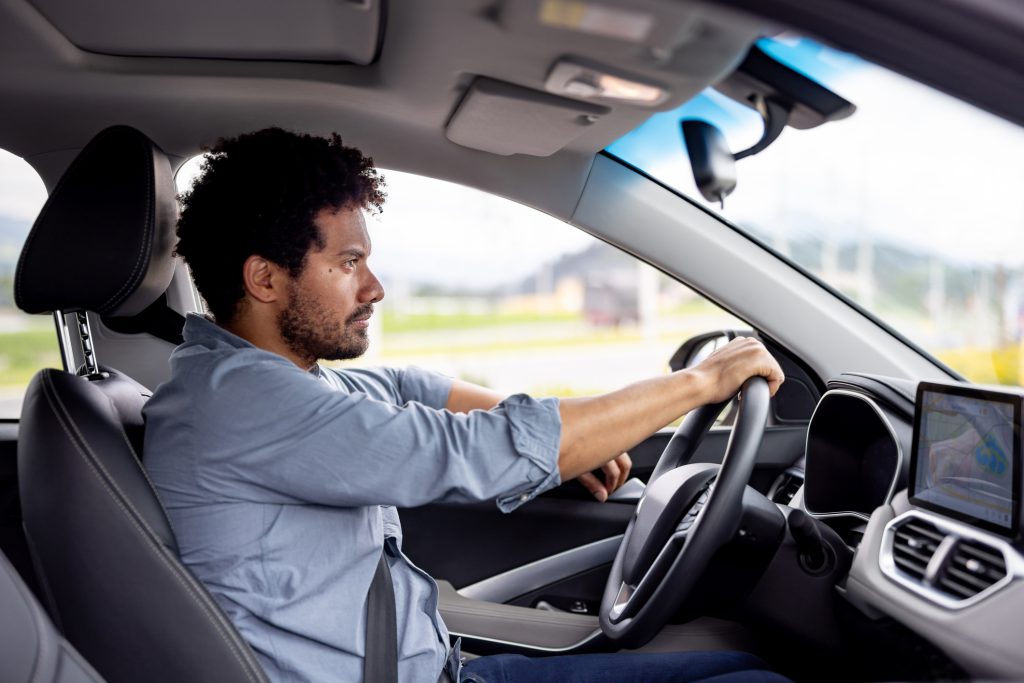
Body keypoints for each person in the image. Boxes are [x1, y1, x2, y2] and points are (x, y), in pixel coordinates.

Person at [143, 128, 788, 683]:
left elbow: (405, 388)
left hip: (438, 665)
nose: (375, 287)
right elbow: (465, 452)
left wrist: (577, 440)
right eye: (348, 262)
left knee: (744, 669)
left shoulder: (279, 380)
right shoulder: (241, 403)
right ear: (265, 279)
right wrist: (697, 385)